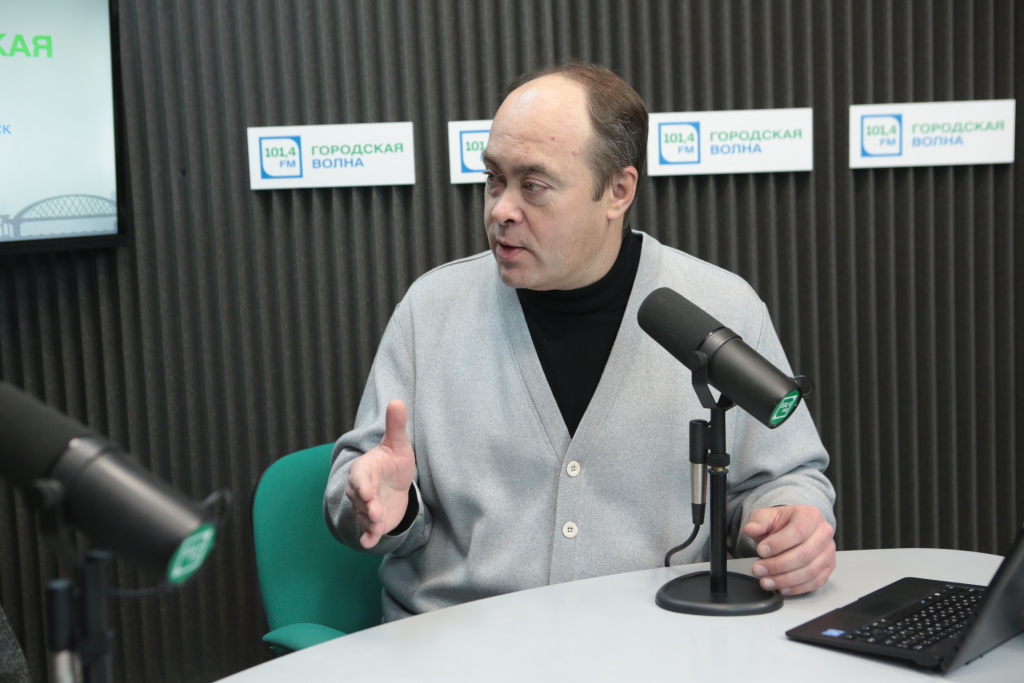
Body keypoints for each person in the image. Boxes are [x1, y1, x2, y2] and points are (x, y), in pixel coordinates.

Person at [325, 62, 836, 622]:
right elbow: (356, 488)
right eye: (494, 178)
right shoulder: (430, 310)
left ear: (618, 190)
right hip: (459, 642)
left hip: (660, 640)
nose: (500, 209)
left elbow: (787, 478)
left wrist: (793, 521)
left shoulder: (721, 307)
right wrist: (388, 507)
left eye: (534, 185)